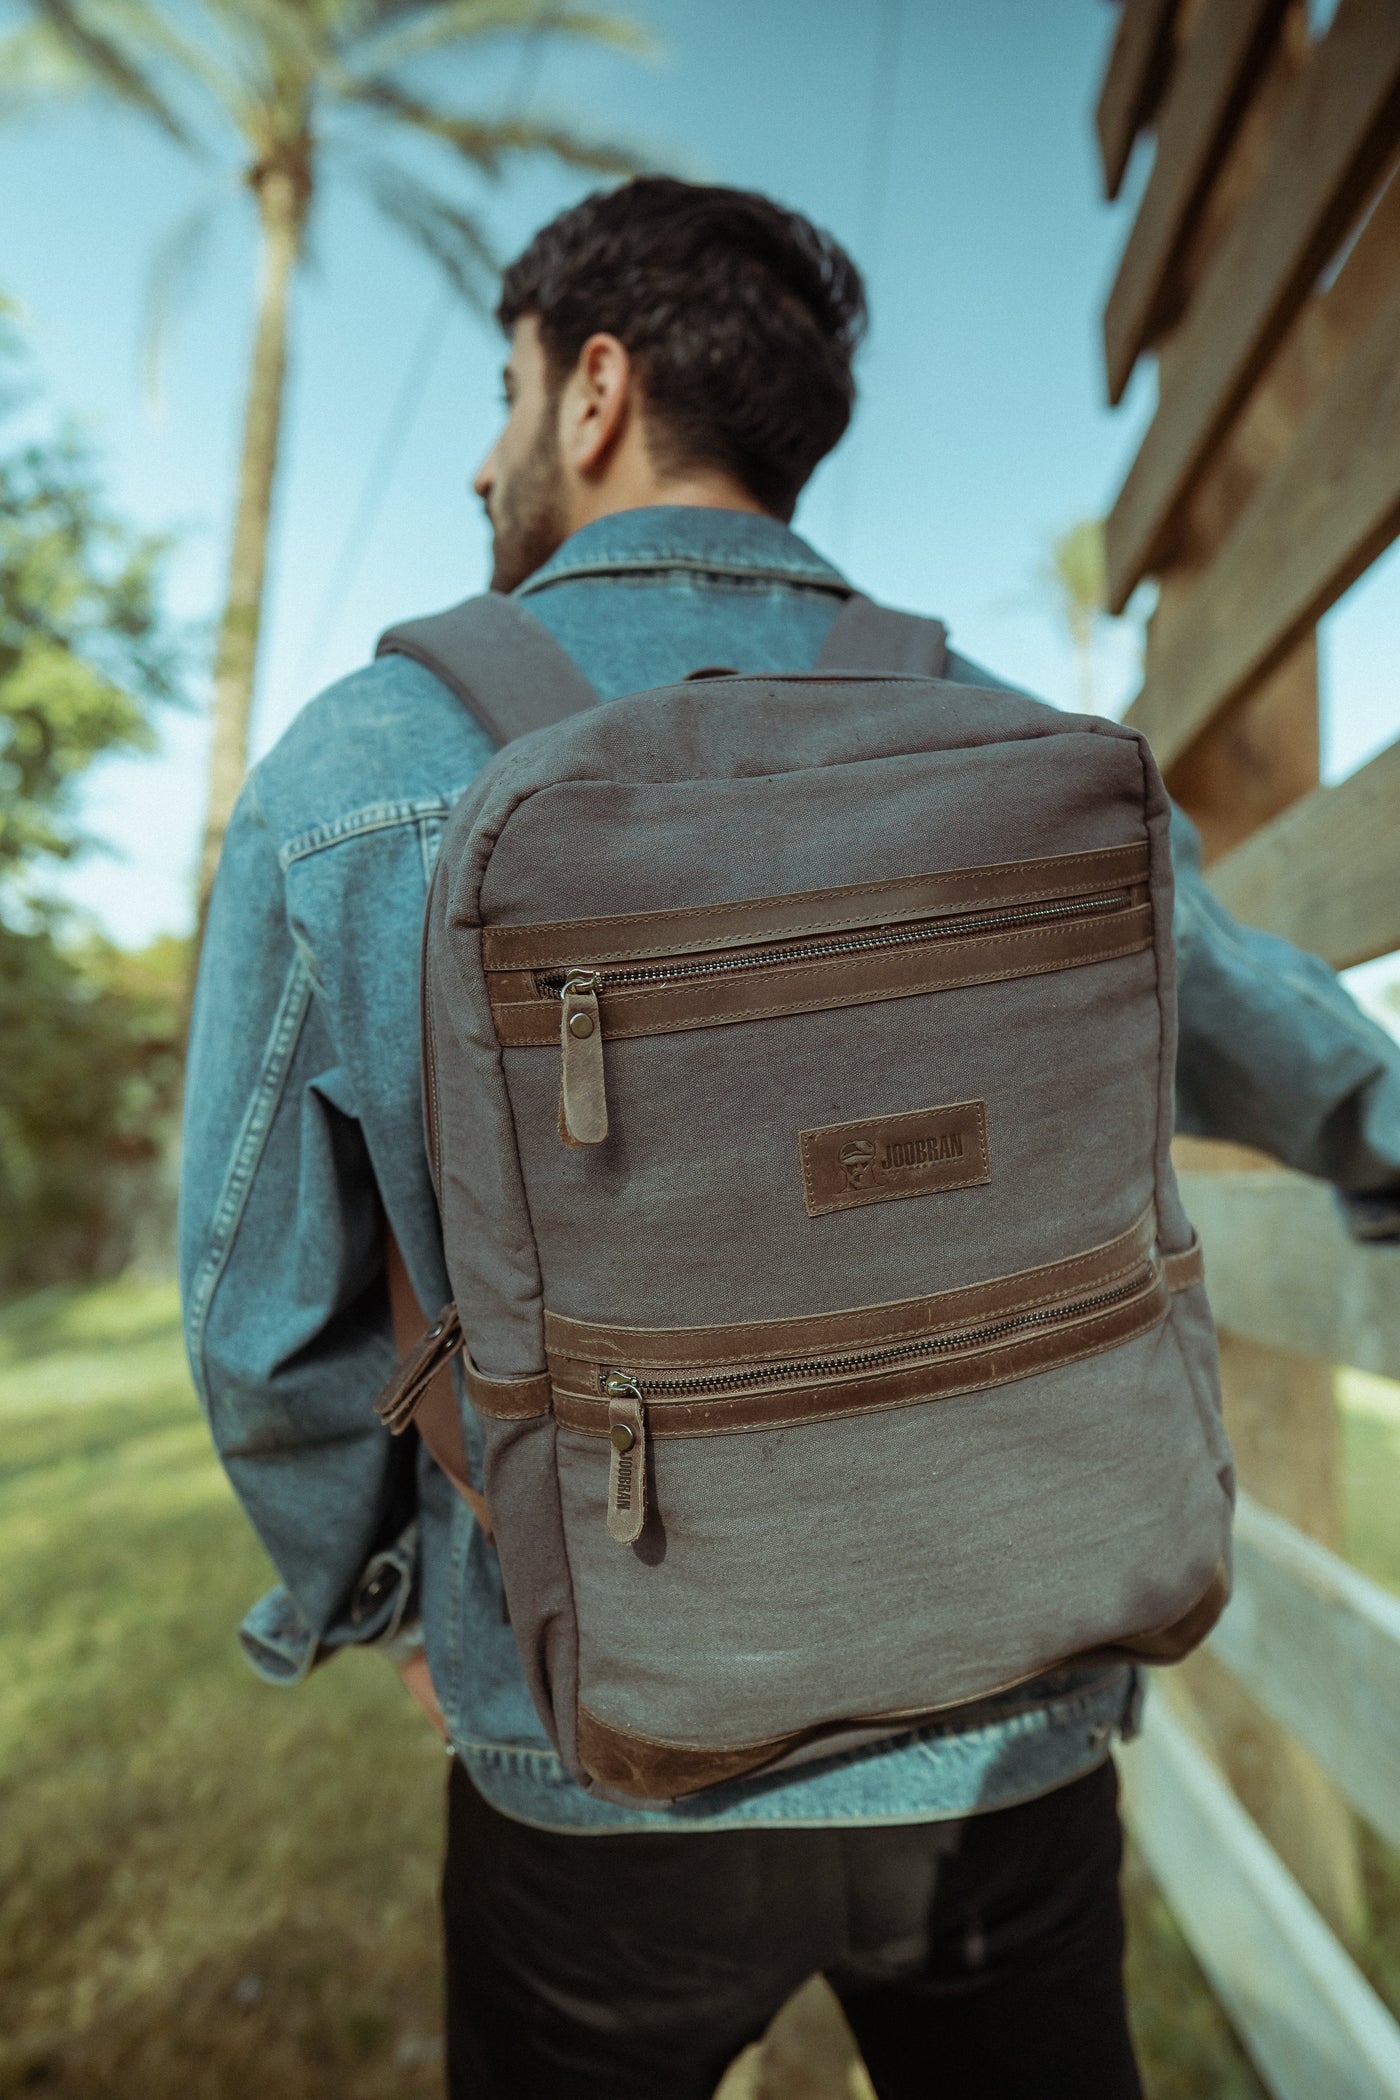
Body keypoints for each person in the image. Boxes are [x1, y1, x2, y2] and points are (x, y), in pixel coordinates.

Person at [180, 178, 1400, 2100]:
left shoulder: (361, 767)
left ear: (593, 393)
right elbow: (1276, 1039)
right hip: (1012, 1743)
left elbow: (262, 1318)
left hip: (593, 1758)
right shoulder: (1008, 741)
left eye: (504, 397)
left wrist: (391, 1598)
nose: (485, 457)